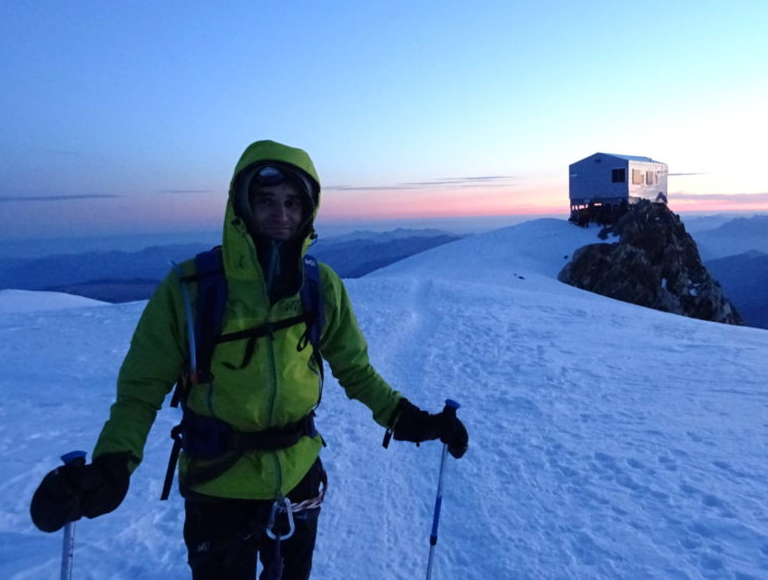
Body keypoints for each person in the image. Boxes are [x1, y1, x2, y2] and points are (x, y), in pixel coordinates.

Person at [29, 140, 469, 580]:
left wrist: (409, 420)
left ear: (309, 209)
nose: (281, 215)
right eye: (266, 201)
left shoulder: (321, 285)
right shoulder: (191, 288)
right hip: (219, 485)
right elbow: (141, 390)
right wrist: (112, 466)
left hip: (298, 475)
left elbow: (355, 370)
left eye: (293, 203)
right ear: (241, 205)